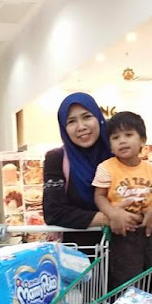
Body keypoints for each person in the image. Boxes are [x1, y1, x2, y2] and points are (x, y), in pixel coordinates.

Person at [43, 92, 143, 248]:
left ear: (99, 118)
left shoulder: (119, 152)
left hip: (128, 246)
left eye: (87, 117)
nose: (81, 127)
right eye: (71, 121)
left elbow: (146, 192)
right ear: (64, 127)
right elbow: (53, 213)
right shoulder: (57, 159)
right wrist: (107, 217)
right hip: (80, 253)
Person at [92, 111, 152, 292]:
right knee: (127, 283)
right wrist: (113, 213)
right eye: (115, 137)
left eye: (128, 135)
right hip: (122, 233)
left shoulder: (151, 169)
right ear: (110, 146)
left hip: (148, 232)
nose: (122, 141)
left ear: (142, 140)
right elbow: (99, 196)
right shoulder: (106, 168)